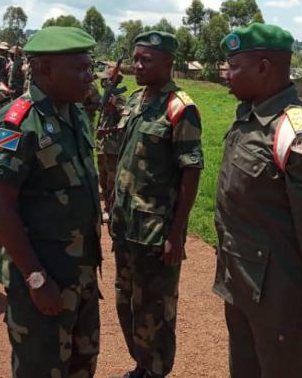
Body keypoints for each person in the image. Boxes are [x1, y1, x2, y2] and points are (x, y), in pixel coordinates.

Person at [214, 23, 302, 378]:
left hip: (280, 298)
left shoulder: (295, 132)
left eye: (234, 66)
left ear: (264, 67)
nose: (226, 74)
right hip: (243, 284)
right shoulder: (250, 118)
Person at [0, 26, 101, 378]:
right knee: (40, 367)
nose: (89, 76)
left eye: (89, 67)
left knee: (81, 365)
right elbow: (0, 205)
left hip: (80, 274)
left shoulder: (74, 114)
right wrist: (36, 278)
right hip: (42, 275)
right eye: (79, 68)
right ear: (45, 69)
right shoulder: (18, 123)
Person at [109, 31, 204, 378]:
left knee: (155, 310)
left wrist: (176, 233)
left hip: (155, 230)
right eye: (135, 58)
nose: (137, 65)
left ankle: (155, 370)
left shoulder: (181, 109)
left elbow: (191, 171)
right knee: (126, 303)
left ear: (168, 63)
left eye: (146, 60)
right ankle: (142, 365)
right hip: (125, 224)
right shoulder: (135, 100)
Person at [95, 70, 126, 223]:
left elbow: (125, 121)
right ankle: (107, 207)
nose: (102, 83)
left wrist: (115, 106)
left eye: (105, 80)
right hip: (102, 145)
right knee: (103, 178)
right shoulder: (105, 97)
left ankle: (114, 210)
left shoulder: (119, 98)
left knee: (112, 182)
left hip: (114, 147)